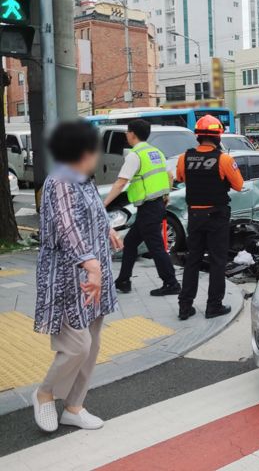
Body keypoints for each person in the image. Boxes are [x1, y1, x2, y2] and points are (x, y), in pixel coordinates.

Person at [33, 121, 122, 432]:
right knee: (77, 346)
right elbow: (68, 228)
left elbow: (94, 213)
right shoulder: (59, 182)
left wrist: (109, 229)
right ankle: (45, 393)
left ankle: (74, 406)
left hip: (94, 278)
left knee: (93, 344)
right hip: (69, 280)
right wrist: (91, 264)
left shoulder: (82, 180)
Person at [175, 115, 244, 320]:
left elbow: (180, 178)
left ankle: (184, 307)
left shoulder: (184, 158)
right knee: (217, 261)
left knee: (193, 261)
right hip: (216, 217)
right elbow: (239, 185)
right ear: (218, 136)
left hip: (195, 216)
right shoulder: (224, 159)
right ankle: (213, 306)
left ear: (198, 136)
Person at [102, 119, 180, 296]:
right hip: (156, 204)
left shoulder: (135, 155)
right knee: (130, 242)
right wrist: (166, 195)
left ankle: (171, 283)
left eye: (127, 132)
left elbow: (121, 182)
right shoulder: (156, 152)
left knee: (156, 247)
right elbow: (169, 175)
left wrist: (104, 204)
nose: (126, 135)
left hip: (149, 207)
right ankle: (123, 280)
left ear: (132, 134)